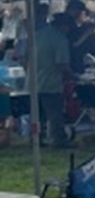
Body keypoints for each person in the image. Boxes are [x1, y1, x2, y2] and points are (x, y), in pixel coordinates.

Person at [34, 12, 73, 147]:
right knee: (55, 113)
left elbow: (24, 56)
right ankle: (59, 140)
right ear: (64, 26)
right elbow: (62, 64)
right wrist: (72, 75)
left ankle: (36, 139)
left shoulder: (37, 35)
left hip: (33, 81)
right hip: (51, 81)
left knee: (37, 115)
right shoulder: (60, 39)